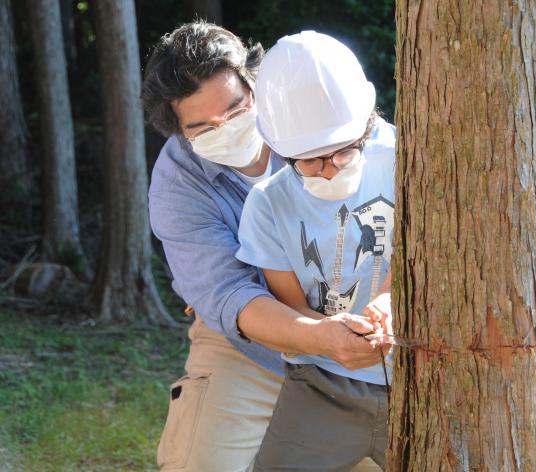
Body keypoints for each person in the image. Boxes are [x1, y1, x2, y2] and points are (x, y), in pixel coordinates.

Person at [142, 22, 386, 471]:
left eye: (236, 111)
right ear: (178, 132)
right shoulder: (178, 185)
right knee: (200, 463)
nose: (227, 129)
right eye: (204, 128)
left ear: (258, 86)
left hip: (364, 334)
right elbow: (228, 296)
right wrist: (317, 338)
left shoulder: (311, 110)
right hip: (249, 347)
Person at [236, 31, 396, 470]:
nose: (329, 170)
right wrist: (332, 337)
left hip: (420, 379)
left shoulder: (404, 155)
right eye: (310, 160)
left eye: (343, 151)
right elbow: (292, 310)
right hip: (322, 383)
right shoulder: (268, 205)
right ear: (284, 152)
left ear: (366, 123)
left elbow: (425, 250)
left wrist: (387, 301)